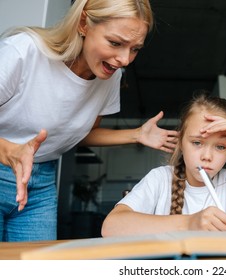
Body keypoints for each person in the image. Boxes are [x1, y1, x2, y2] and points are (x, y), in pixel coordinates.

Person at [0, 0, 178, 242]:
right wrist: (9, 150)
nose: (125, 59)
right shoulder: (24, 51)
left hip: (41, 182)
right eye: (115, 43)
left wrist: (136, 134)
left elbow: (82, 133)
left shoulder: (109, 77)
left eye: (135, 48)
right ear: (84, 23)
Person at [101, 92, 226, 236]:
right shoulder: (160, 179)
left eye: (220, 146)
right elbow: (110, 227)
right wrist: (190, 223)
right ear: (180, 142)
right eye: (197, 143)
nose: (207, 156)